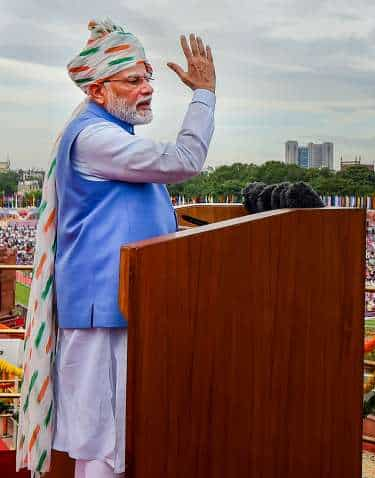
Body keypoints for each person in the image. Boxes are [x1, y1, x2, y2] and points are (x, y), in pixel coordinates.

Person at [17, 19, 216, 478]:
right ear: (98, 91)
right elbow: (184, 160)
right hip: (102, 312)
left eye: (148, 78)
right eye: (133, 80)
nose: (147, 89)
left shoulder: (113, 137)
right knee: (102, 443)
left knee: (120, 438)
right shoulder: (94, 138)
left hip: (124, 308)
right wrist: (203, 95)